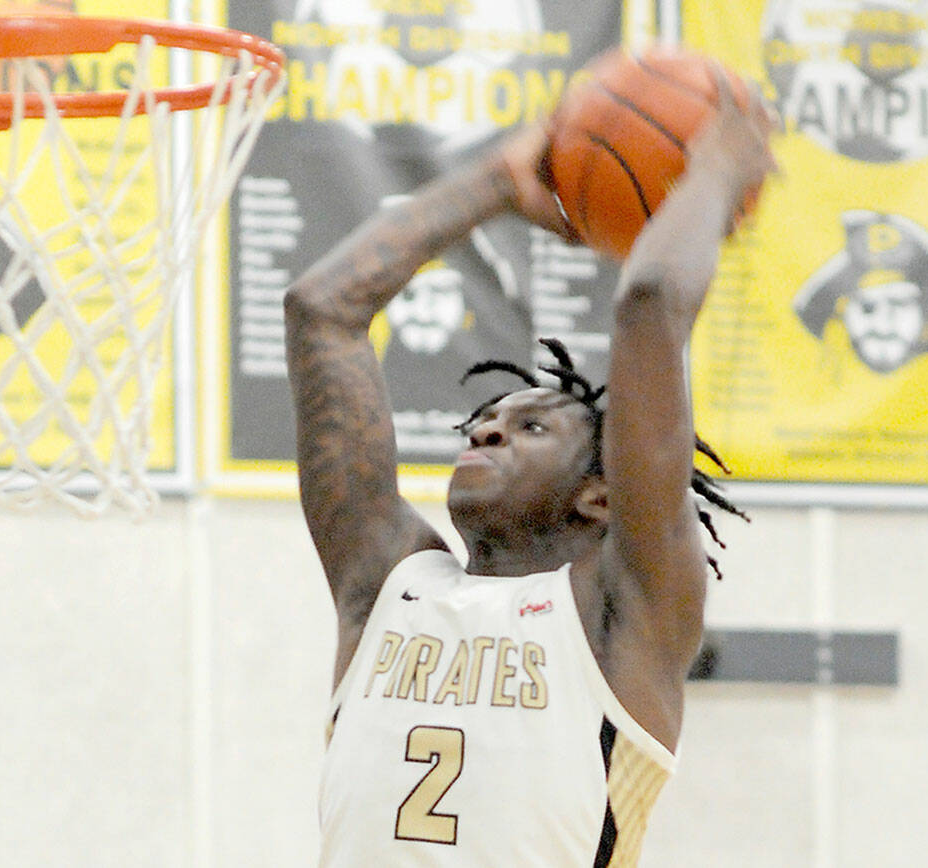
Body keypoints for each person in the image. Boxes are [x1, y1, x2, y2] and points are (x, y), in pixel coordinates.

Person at [283, 65, 776, 866]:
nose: (484, 432)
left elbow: (648, 304)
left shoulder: (625, 613)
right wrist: (496, 181)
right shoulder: (386, 584)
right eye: (484, 421)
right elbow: (321, 310)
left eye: (530, 426)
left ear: (599, 496)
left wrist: (718, 170)